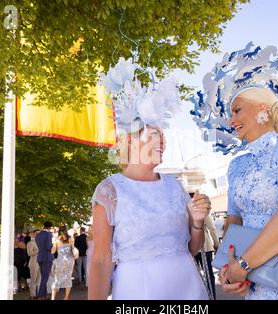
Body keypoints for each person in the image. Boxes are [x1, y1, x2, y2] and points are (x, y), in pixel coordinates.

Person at [191, 43, 278, 299]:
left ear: (262, 107)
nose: (231, 121)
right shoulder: (236, 165)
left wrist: (243, 265)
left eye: (237, 110)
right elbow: (234, 221)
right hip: (253, 281)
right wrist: (226, 269)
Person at [88, 57, 210, 300]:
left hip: (188, 290)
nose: (163, 142)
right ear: (132, 141)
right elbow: (101, 259)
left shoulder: (175, 186)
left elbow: (190, 249)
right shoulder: (109, 190)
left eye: (164, 136)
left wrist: (197, 222)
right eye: (155, 135)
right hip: (139, 292)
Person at [194, 212, 220, 300]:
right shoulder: (201, 208)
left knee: (196, 276)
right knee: (209, 275)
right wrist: (217, 245)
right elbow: (212, 228)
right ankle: (212, 297)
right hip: (204, 247)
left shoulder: (184, 208)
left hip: (191, 248)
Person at [51, 225, 75, 300]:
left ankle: (53, 298)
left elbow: (52, 251)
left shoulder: (57, 240)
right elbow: (73, 249)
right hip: (69, 260)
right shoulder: (71, 238)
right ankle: (66, 297)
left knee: (57, 279)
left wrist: (54, 244)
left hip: (60, 261)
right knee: (68, 278)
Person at [35, 221, 54, 299]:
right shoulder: (49, 234)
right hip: (47, 257)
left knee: (43, 277)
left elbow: (40, 245)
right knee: (45, 277)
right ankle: (40, 295)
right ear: (50, 227)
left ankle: (44, 295)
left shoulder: (38, 234)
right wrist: (54, 246)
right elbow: (49, 247)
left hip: (40, 257)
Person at [26, 229, 41, 299]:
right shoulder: (31, 243)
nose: (38, 235)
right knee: (33, 280)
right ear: (34, 234)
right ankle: (32, 295)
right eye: (37, 233)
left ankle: (37, 293)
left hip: (41, 262)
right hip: (34, 263)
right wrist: (37, 251)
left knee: (38, 280)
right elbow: (29, 253)